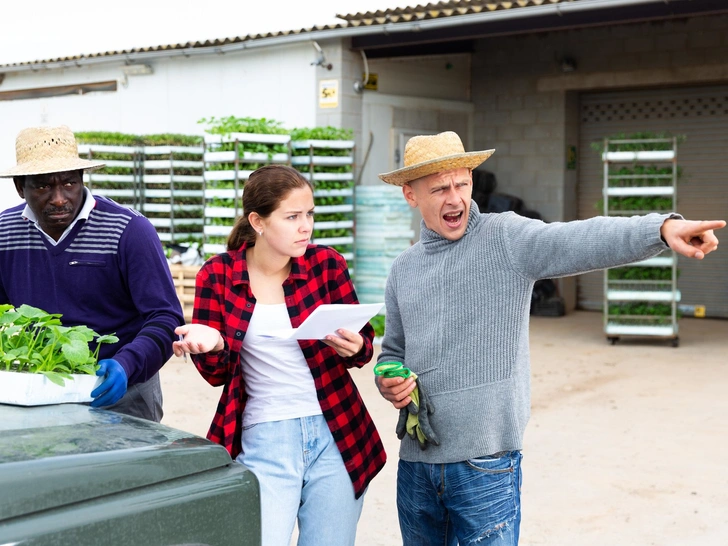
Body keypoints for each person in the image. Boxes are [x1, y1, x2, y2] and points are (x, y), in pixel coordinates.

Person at [374, 131, 725, 546]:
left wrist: (661, 229)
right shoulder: (404, 269)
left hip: (484, 466)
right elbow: (392, 352)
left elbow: (579, 239)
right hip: (416, 467)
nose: (456, 200)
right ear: (410, 196)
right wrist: (387, 381)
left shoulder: (505, 238)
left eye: (462, 184)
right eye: (439, 189)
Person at [173, 164, 386, 546]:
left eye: (310, 215)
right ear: (258, 221)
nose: (306, 226)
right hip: (265, 436)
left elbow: (363, 344)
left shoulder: (327, 265)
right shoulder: (218, 276)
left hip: (336, 432)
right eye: (292, 217)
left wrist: (358, 347)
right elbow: (216, 374)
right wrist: (215, 344)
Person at [0, 125, 184, 421]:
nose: (59, 198)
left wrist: (127, 364)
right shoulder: (4, 233)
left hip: (122, 391)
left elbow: (165, 317)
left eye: (69, 183)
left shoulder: (129, 230)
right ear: (20, 187)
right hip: (39, 387)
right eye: (43, 186)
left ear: (82, 180)